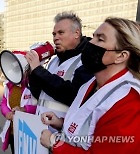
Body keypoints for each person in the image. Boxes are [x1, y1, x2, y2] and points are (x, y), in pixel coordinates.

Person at [40, 17, 140, 154]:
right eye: (93, 37)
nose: (90, 43)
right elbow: (89, 127)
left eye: (100, 39)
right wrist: (62, 123)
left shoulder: (130, 102)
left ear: (121, 56)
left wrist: (55, 144)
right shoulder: (90, 84)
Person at [25, 11, 93, 124]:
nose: (56, 38)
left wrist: (39, 71)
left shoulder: (85, 60)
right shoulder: (54, 60)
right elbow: (39, 94)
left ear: (77, 33)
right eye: (54, 34)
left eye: (61, 33)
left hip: (62, 131)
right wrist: (33, 73)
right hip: (42, 127)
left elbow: (72, 95)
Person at [0, 75, 37, 153]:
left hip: (29, 133)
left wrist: (25, 109)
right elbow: (3, 102)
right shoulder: (8, 86)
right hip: (13, 131)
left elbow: (41, 107)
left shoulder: (33, 85)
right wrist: (7, 113)